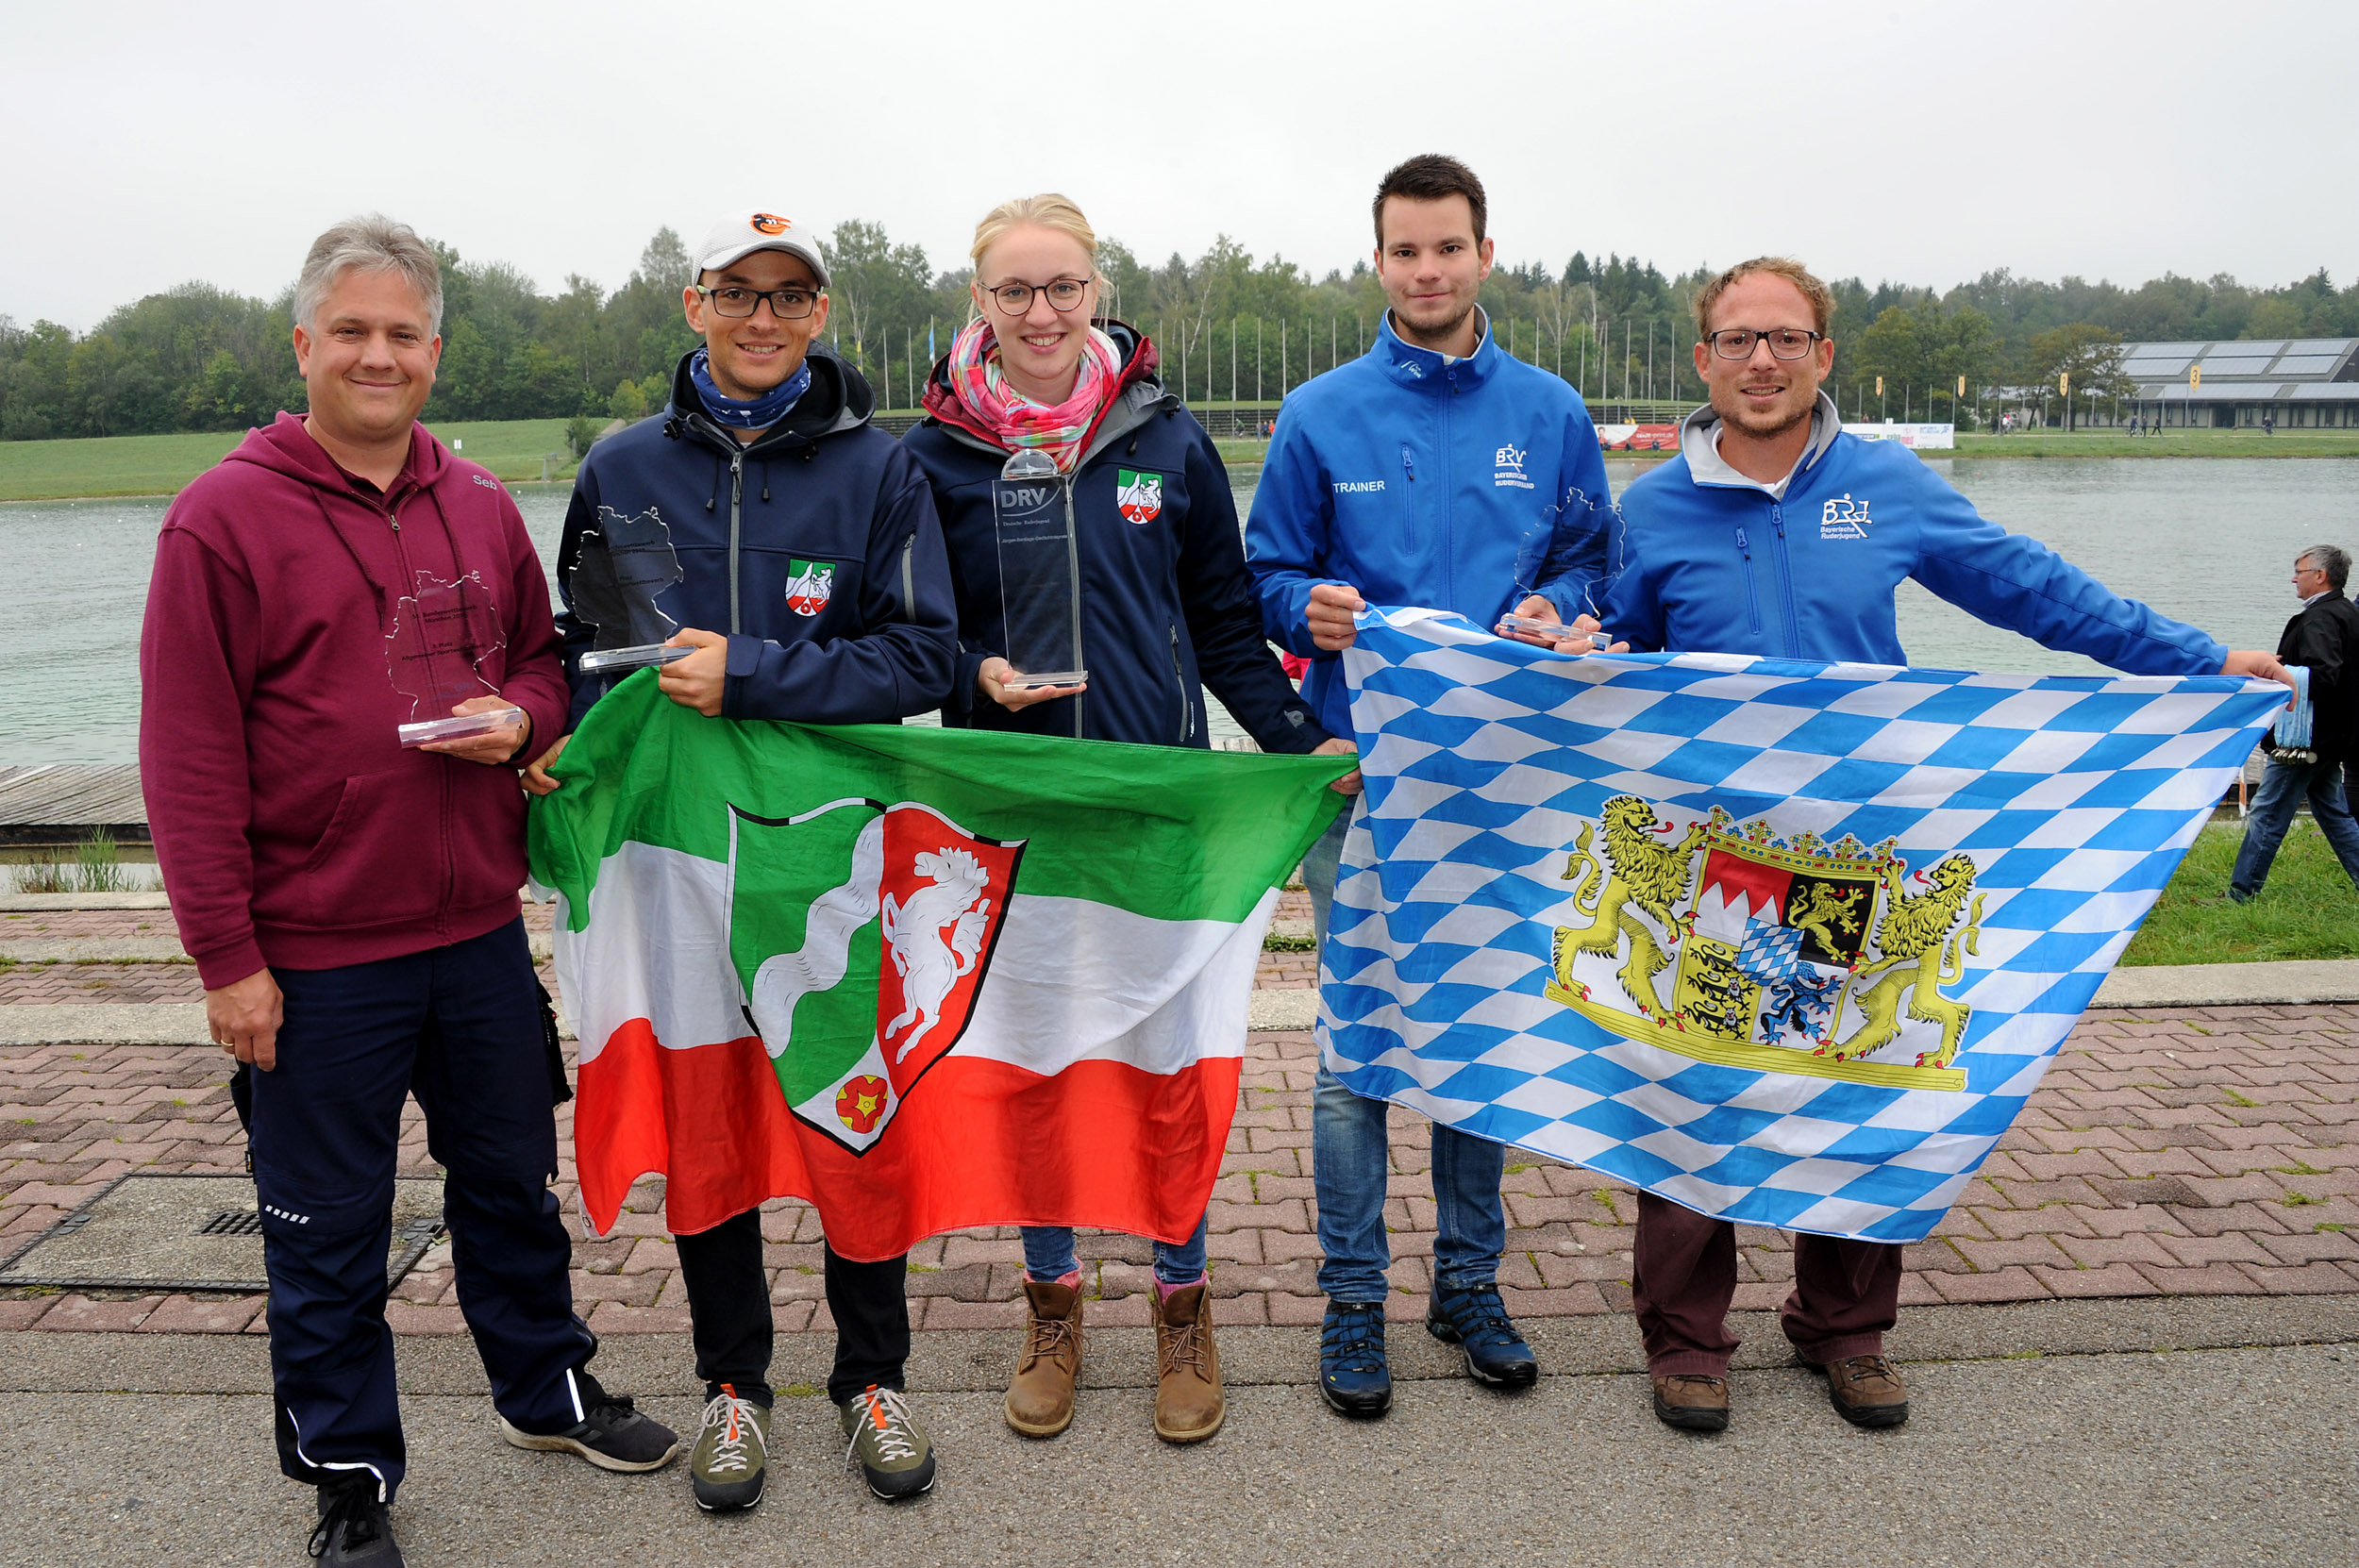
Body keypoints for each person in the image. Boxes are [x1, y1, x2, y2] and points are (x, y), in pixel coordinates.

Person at [1573, 256, 2290, 1436]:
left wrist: (2195, 661)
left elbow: (2031, 589)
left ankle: (1845, 1331)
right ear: (1701, 360)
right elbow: (1621, 667)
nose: (1763, 360)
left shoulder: (1884, 484)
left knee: (1854, 1081)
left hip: (1858, 852)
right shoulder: (1651, 508)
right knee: (1691, 1093)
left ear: (1823, 355)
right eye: (1739, 340)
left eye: (1786, 339)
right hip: (1720, 862)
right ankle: (1686, 1340)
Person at [141, 216, 678, 1568]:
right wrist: (226, 960)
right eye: (353, 332)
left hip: (476, 930)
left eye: (404, 334)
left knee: (508, 1185)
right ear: (306, 344)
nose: (379, 355)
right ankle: (349, 1471)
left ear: (435, 351)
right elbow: (188, 756)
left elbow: (550, 663)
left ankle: (544, 1391)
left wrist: (526, 712)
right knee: (328, 1227)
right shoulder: (223, 518)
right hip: (316, 953)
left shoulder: (482, 504)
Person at [903, 192, 1357, 1447]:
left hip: (1158, 807)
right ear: (978, 301)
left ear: (1099, 290)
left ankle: (1182, 1304)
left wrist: (1295, 740)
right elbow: (906, 638)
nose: (1042, 312)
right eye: (1015, 291)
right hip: (1011, 809)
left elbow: (1223, 627)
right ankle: (1053, 1306)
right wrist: (970, 677)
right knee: (1039, 1064)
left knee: (1167, 1069)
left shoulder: (1167, 436)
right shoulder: (930, 457)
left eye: (1064, 287)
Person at [526, 209, 960, 1509]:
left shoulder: (881, 471)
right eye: (738, 293)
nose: (764, 319)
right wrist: (564, 753)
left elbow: (925, 657)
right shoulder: (620, 467)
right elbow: (589, 660)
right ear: (692, 304)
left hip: (830, 852)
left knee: (850, 1102)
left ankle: (872, 1376)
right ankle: (734, 1384)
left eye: (791, 297)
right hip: (676, 861)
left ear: (823, 314)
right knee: (708, 1110)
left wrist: (756, 670)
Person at [1246, 154, 1614, 1419]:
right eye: (1405, 251)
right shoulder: (1319, 414)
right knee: (1357, 1052)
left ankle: (1469, 1284)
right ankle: (1354, 1303)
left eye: (1447, 248)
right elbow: (1260, 577)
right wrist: (1311, 604)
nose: (1428, 270)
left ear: (1484, 255)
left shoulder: (1550, 412)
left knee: (1480, 1038)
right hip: (1361, 778)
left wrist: (1559, 607)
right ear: (1380, 262)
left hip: (1503, 780)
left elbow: (1590, 561)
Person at [2231, 546, 2359, 900]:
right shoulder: (2347, 611)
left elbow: (2324, 676)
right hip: (2333, 737)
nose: (2293, 578)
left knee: (2267, 813)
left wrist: (2273, 673)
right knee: (2335, 815)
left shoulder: (2320, 618)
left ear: (2320, 576)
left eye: (2299, 571)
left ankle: (2242, 893)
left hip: (2303, 740)